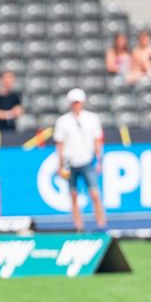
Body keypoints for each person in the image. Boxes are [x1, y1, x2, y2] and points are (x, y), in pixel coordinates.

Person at [53, 89, 106, 232]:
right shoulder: (63, 121)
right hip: (70, 162)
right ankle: (79, 226)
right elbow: (60, 144)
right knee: (73, 195)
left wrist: (99, 160)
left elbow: (97, 140)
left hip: (87, 160)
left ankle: (101, 224)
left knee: (94, 193)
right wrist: (60, 165)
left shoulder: (92, 118)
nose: (76, 105)